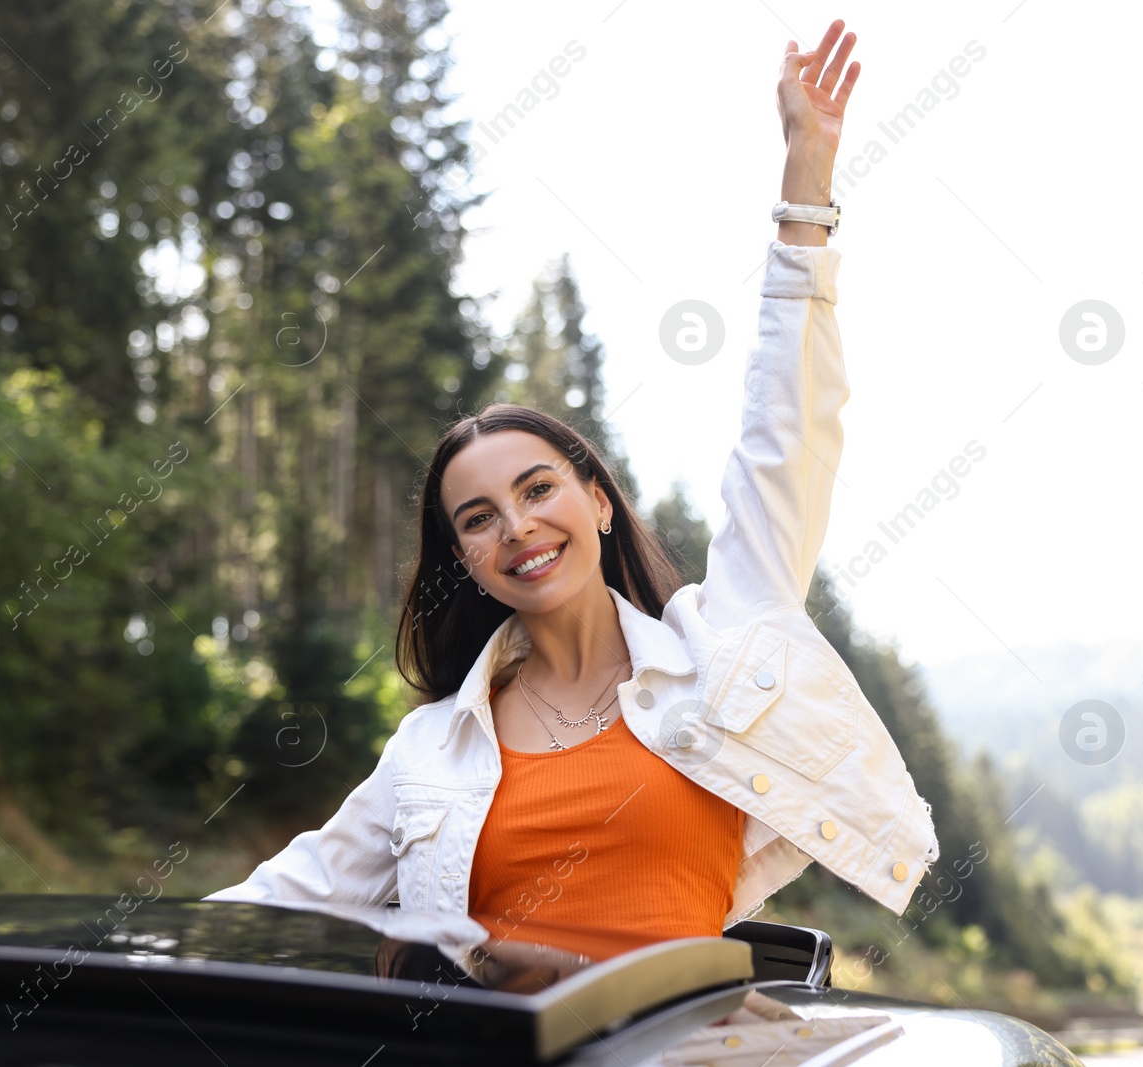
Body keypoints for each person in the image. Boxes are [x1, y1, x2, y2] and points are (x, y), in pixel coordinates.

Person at [206, 19, 939, 965]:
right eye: (478, 518)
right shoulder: (429, 753)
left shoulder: (719, 652)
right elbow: (276, 902)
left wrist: (807, 183)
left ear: (597, 500)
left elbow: (785, 437)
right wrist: (105, 954)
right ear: (466, 559)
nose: (517, 525)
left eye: (537, 486)